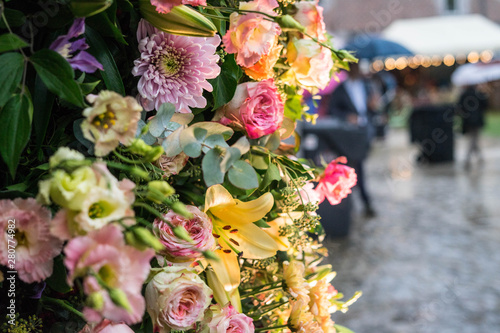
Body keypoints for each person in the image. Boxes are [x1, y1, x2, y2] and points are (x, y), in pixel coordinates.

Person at [327, 63, 377, 217]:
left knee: (359, 166)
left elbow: (372, 108)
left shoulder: (367, 86)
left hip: (364, 132)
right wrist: (347, 117)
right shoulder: (340, 89)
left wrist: (373, 106)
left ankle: (358, 201)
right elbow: (332, 110)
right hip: (348, 135)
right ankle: (358, 202)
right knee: (354, 167)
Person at [457, 85, 489, 170]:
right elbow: (485, 105)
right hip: (477, 120)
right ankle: (469, 158)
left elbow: (459, 107)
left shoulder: (464, 94)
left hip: (468, 121)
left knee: (473, 139)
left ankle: (477, 157)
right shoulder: (479, 94)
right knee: (474, 139)